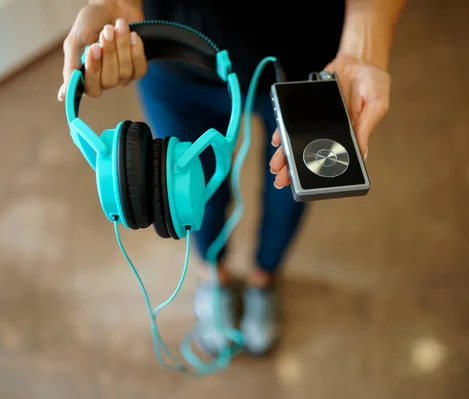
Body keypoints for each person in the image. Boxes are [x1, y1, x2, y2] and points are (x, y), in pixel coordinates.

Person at [58, 0, 406, 356]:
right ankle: (215, 276)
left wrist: (364, 47)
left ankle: (263, 278)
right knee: (184, 190)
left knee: (293, 187)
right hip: (171, 55)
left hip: (305, 62)